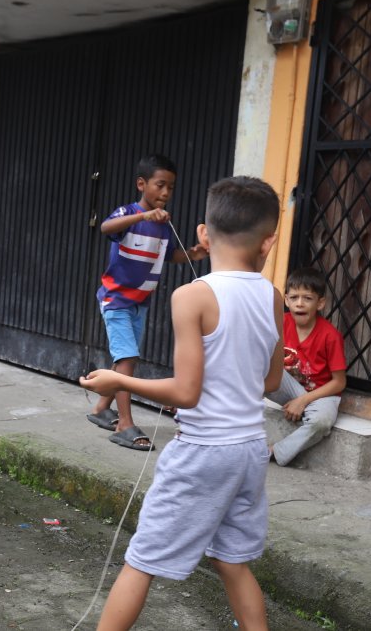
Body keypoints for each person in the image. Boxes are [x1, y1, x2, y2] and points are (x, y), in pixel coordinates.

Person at [81, 175, 283, 631]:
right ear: (269, 242)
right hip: (249, 449)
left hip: (203, 452)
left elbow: (186, 392)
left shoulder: (192, 295)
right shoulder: (272, 297)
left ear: (203, 235)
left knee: (142, 559)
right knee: (232, 561)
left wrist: (117, 380)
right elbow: (270, 380)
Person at [86, 154, 206, 451]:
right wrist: (143, 216)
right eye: (160, 185)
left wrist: (192, 254)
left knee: (126, 359)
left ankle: (102, 408)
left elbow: (170, 256)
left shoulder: (164, 226)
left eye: (171, 188)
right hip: (116, 300)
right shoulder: (129, 214)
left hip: (141, 303)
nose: (165, 193)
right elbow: (105, 228)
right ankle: (125, 424)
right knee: (127, 358)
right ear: (142, 184)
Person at [267, 267, 347, 467]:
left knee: (322, 421)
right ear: (286, 300)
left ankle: (276, 452)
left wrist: (302, 401)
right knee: (249, 366)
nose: (299, 303)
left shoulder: (330, 336)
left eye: (307, 298)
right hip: (287, 387)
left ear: (320, 303)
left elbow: (339, 382)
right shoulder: (280, 323)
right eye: (294, 297)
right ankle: (219, 424)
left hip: (320, 395)